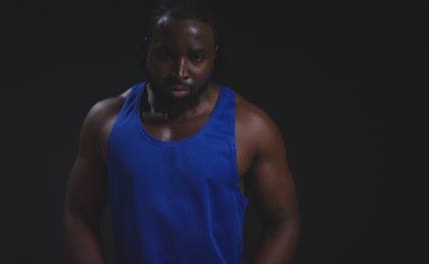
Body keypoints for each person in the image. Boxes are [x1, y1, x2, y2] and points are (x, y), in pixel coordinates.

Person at [63, 1, 299, 263]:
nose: (180, 71)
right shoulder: (105, 121)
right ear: (148, 50)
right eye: (166, 54)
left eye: (196, 57)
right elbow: (79, 213)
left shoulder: (251, 127)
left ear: (214, 57)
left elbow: (283, 220)